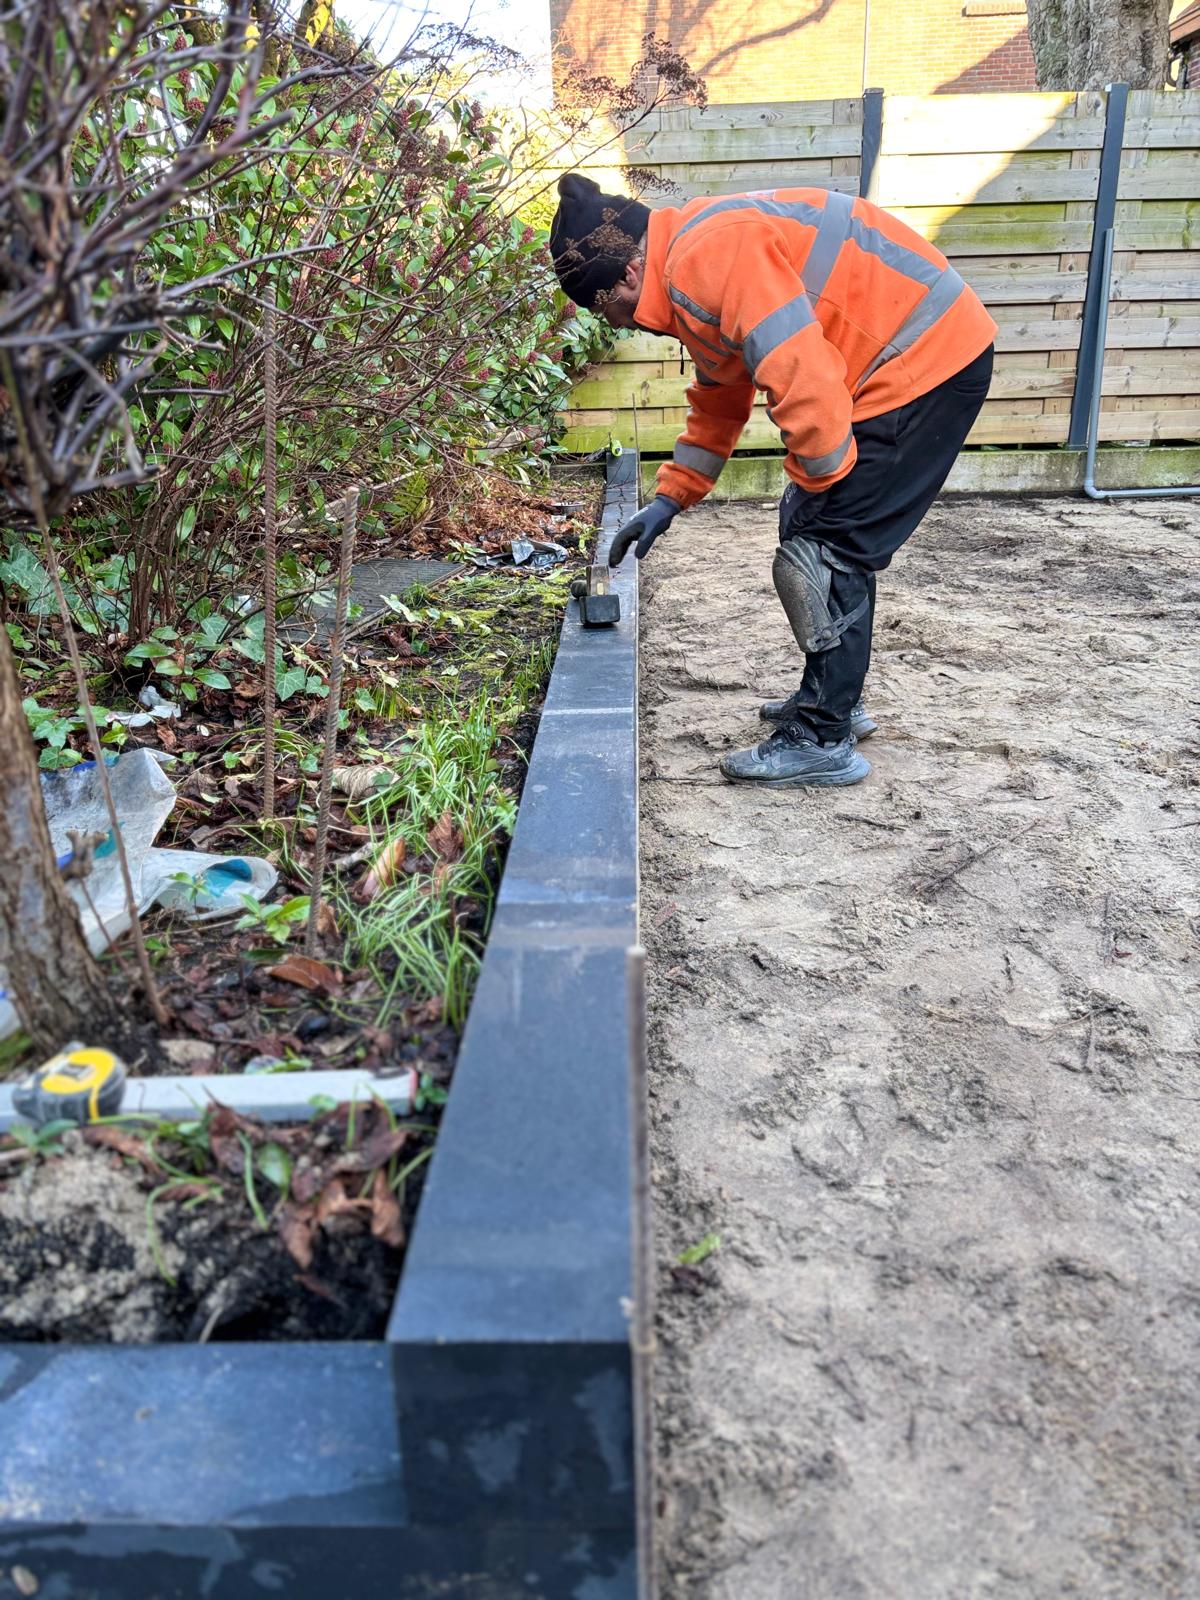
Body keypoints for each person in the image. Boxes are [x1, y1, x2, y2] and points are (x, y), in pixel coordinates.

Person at [549, 172, 997, 788]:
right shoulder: (689, 266)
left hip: (923, 360)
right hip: (904, 357)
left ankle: (822, 736)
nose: (623, 326)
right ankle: (833, 698)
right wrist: (669, 498)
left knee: (825, 547)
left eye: (611, 312)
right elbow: (720, 395)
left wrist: (821, 488)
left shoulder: (707, 257)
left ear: (627, 275)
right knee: (813, 533)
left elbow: (801, 372)